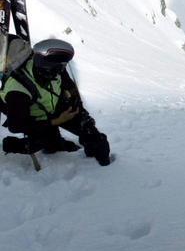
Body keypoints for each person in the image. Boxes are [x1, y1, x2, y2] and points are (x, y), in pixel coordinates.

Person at [0, 38, 112, 166]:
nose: (63, 68)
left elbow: (69, 86)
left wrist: (77, 107)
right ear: (48, 67)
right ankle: (13, 145)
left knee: (91, 134)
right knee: (50, 145)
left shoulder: (53, 69)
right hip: (35, 118)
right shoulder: (17, 91)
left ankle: (102, 165)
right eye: (61, 66)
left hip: (54, 106)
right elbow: (16, 126)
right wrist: (56, 122)